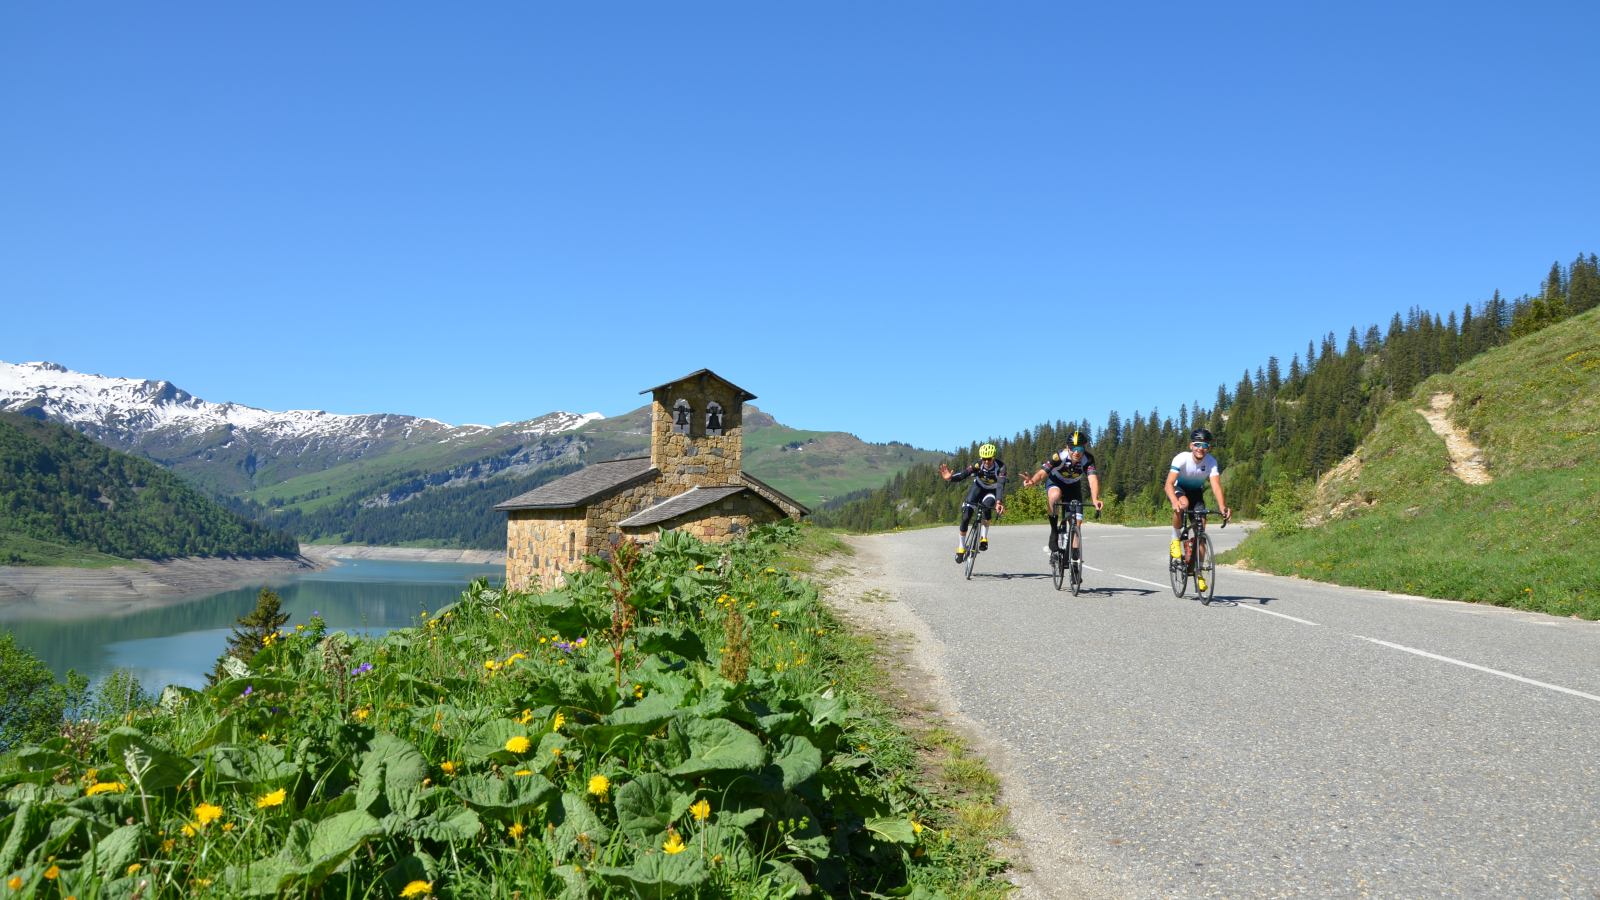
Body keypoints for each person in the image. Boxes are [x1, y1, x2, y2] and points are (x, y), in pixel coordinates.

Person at [1020, 429, 1103, 556]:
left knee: (1077, 523)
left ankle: (1074, 561)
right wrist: (1033, 481)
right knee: (1054, 496)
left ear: (1084, 449)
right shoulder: (1059, 456)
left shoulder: (1088, 459)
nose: (1076, 452)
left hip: (1073, 486)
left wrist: (1095, 499)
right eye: (1073, 448)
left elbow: (1093, 480)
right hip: (1056, 482)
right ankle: (1054, 531)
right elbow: (1043, 473)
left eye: (1080, 449)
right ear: (1067, 447)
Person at [1165, 428, 1232, 570]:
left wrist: (1222, 506)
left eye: (1205, 445)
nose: (1200, 448)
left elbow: (1216, 486)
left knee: (1200, 531)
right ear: (1191, 446)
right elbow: (1169, 484)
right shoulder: (1181, 458)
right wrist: (1174, 500)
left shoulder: (1211, 462)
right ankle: (1175, 538)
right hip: (1179, 489)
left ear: (1209, 448)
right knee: (1183, 505)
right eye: (1197, 444)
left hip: (1196, 493)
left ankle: (1200, 571)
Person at [940, 444, 1007, 563]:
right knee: (965, 516)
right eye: (984, 458)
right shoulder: (977, 465)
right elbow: (962, 475)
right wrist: (950, 478)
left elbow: (1001, 485)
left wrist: (998, 502)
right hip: (978, 488)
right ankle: (961, 547)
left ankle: (984, 538)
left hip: (991, 491)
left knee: (987, 507)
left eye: (989, 458)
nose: (986, 461)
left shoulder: (1001, 467)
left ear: (994, 457)